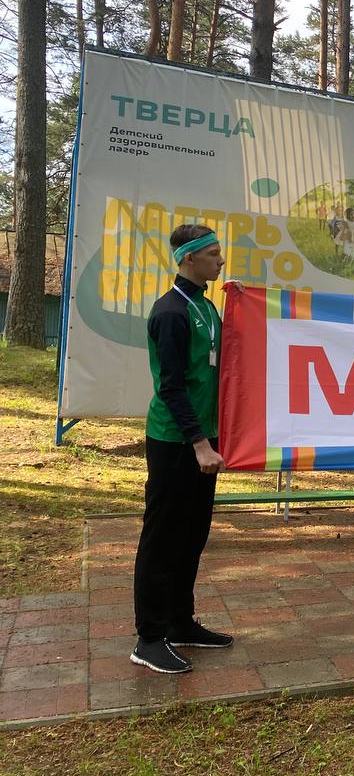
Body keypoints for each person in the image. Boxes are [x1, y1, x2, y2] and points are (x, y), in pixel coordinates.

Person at [131, 224, 234, 674]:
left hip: (203, 440)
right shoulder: (171, 312)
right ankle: (149, 638)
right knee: (162, 539)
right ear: (188, 258)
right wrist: (199, 444)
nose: (220, 260)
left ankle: (179, 621)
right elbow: (171, 387)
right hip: (176, 441)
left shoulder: (206, 307)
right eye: (213, 254)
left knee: (192, 535)